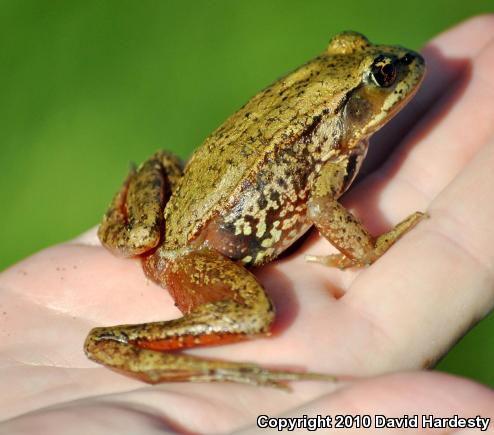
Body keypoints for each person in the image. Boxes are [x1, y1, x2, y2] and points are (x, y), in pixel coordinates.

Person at [1, 15, 493, 434]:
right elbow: (321, 207)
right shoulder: (335, 149)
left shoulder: (338, 134)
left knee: (163, 162)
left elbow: (318, 206)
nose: (398, 70)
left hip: (184, 210)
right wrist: (365, 251)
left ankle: (127, 235)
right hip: (197, 254)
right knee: (256, 316)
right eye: (381, 74)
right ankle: (122, 343)